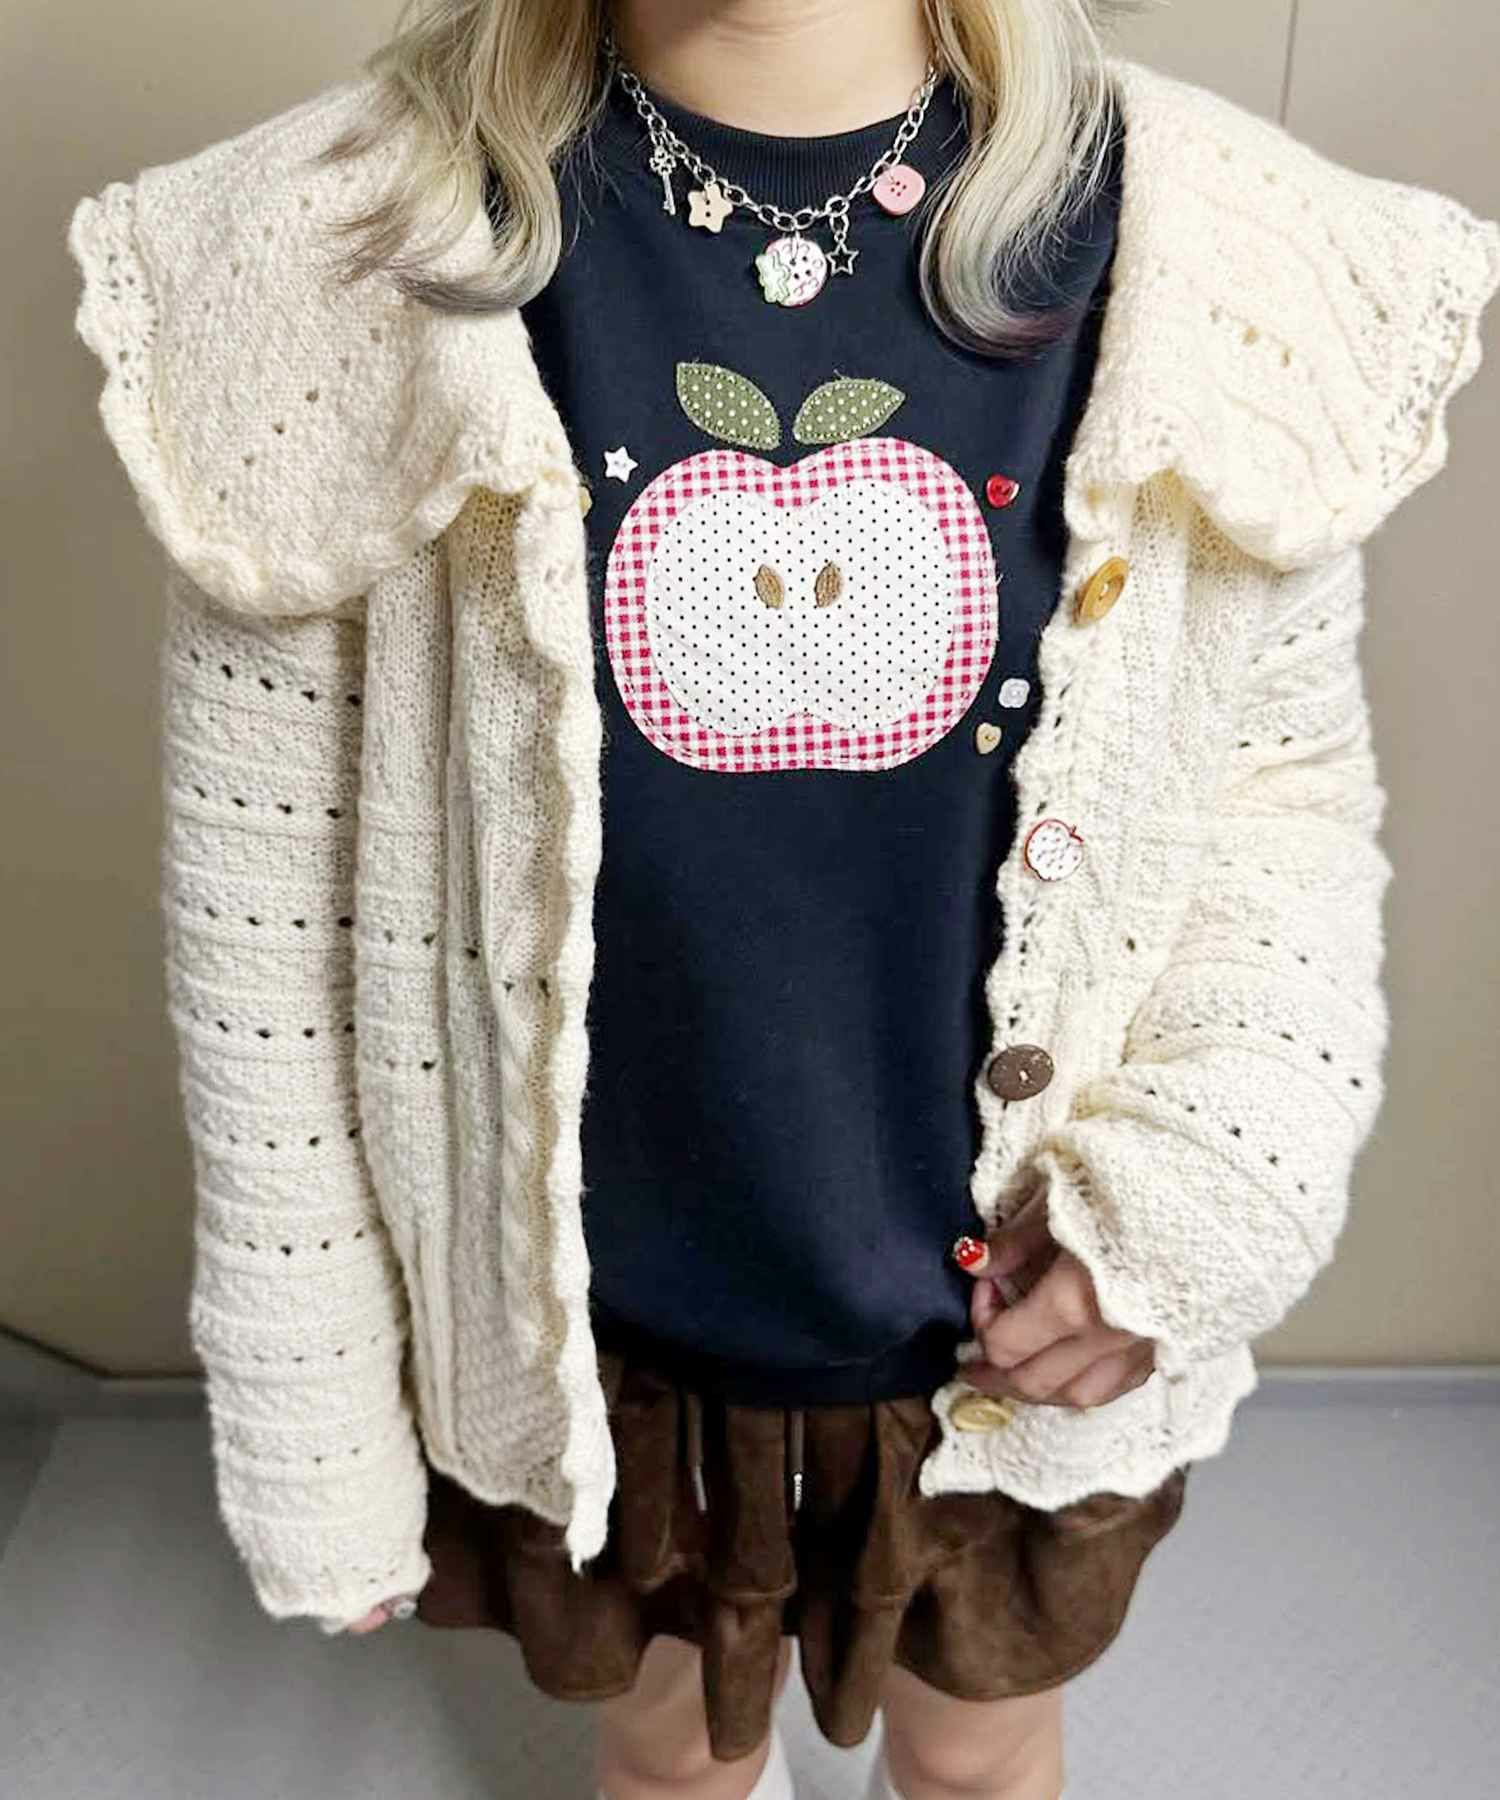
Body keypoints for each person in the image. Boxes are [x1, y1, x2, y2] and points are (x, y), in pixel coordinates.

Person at [66, 2, 1498, 1797]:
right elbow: (269, 926)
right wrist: (316, 1422)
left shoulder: (1219, 245)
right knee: (670, 1758)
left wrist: (1208, 1191)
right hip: (602, 1358)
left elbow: (1280, 808)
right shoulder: (326, 251)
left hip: (1015, 1328)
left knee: (980, 1757)